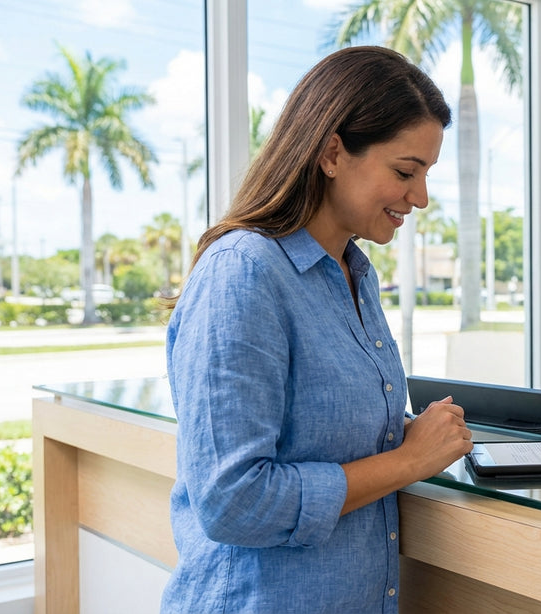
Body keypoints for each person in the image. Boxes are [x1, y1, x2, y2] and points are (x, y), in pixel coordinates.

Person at [161, 46, 473, 613]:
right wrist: (407, 460)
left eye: (426, 174)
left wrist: (410, 434)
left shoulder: (355, 273)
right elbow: (233, 501)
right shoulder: (243, 272)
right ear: (332, 153)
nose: (421, 198)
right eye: (405, 171)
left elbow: (323, 432)